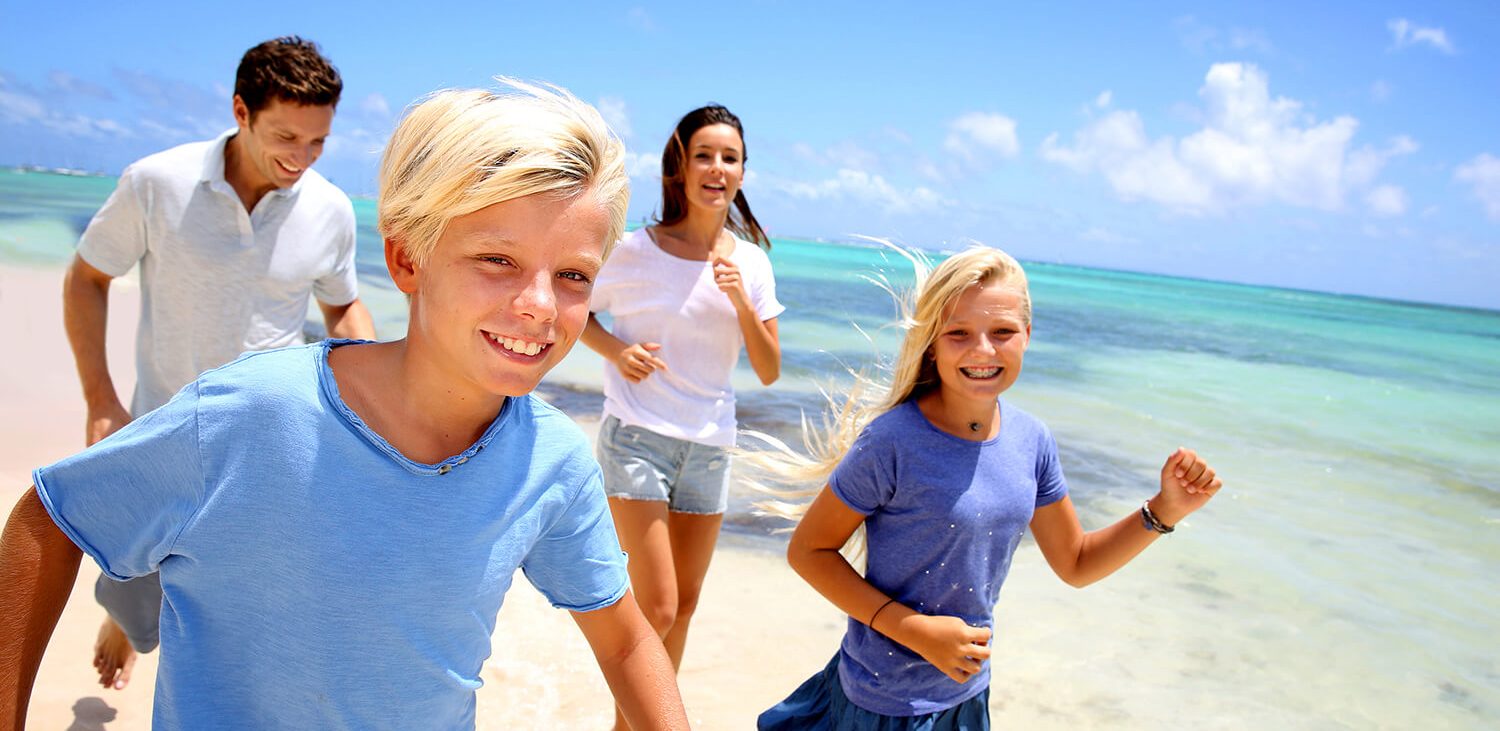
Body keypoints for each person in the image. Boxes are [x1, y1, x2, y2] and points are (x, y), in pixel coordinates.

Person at [1, 80, 689, 730]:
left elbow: (627, 641)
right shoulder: (252, 412)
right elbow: (52, 519)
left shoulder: (552, 459)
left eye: (572, 275)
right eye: (497, 260)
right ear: (406, 260)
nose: (540, 304)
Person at [748, 245, 1224, 729]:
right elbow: (809, 551)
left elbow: (1077, 563)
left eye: (1002, 333)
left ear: (1027, 336)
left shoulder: (1032, 440)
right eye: (959, 333)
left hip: (967, 697)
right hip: (881, 703)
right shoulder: (893, 441)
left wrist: (1164, 510)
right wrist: (913, 630)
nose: (982, 351)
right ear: (933, 343)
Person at [61, 36, 376, 691]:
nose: (302, 158)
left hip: (272, 443)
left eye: (318, 143)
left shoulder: (331, 210)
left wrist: (375, 406)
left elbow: (342, 310)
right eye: (287, 137)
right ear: (240, 110)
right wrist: (100, 398)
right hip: (162, 427)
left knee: (237, 624)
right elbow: (86, 277)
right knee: (136, 585)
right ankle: (126, 621)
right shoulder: (156, 182)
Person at [582, 104, 782, 729]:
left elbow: (771, 369)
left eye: (729, 158)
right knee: (658, 608)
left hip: (711, 446)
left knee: (686, 606)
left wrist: (740, 303)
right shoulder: (637, 251)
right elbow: (572, 308)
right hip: (637, 437)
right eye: (704, 155)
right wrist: (618, 350)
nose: (716, 168)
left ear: (743, 172)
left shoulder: (750, 263)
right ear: (680, 167)